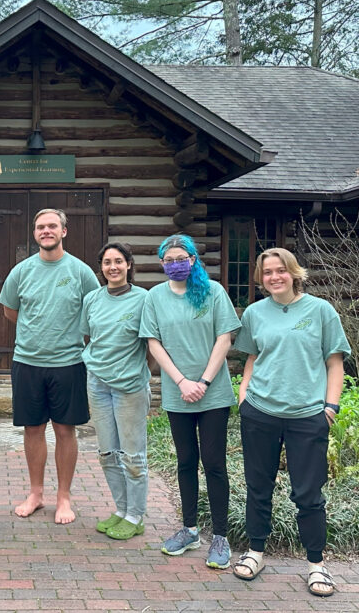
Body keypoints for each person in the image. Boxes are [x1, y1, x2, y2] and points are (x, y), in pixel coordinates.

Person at [232, 248, 348, 597]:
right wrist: (244, 400)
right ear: (260, 278)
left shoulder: (320, 311)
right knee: (258, 486)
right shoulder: (255, 313)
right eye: (267, 272)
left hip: (307, 417)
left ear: (294, 272)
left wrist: (330, 407)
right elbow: (252, 358)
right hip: (260, 413)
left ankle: (316, 565)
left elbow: (335, 362)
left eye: (280, 270)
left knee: (309, 495)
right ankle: (255, 552)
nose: (274, 277)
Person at [139, 234, 240, 569]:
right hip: (177, 393)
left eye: (181, 258)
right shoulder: (155, 297)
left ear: (194, 259)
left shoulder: (213, 292)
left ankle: (221, 537)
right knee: (186, 462)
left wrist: (204, 381)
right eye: (168, 260)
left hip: (213, 394)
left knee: (213, 462)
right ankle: (190, 529)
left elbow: (224, 338)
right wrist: (182, 381)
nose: (175, 264)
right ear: (161, 263)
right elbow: (153, 343)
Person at [0, 208, 99, 524]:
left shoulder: (81, 272)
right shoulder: (21, 271)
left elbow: (96, 314)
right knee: (33, 428)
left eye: (52, 226)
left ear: (64, 231)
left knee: (66, 430)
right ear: (35, 233)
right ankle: (36, 493)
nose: (46, 231)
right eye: (40, 226)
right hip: (27, 362)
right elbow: (10, 311)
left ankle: (64, 497)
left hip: (68, 362)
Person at [80, 242, 151, 540]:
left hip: (130, 386)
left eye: (119, 261)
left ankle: (136, 516)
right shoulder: (92, 299)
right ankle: (121, 510)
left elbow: (151, 341)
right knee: (108, 452)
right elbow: (88, 336)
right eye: (107, 262)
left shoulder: (144, 299)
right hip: (97, 383)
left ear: (129, 265)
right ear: (101, 267)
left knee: (132, 455)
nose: (113, 267)